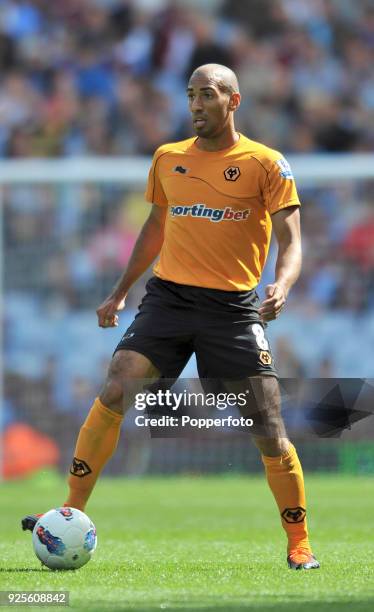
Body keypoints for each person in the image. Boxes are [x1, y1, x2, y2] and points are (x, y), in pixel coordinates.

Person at [22, 63, 319, 570]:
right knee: (118, 384)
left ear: (233, 101)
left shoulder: (267, 164)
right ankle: (69, 509)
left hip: (232, 308)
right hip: (169, 300)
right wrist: (118, 293)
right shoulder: (167, 158)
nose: (197, 105)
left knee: (267, 422)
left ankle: (300, 543)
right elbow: (156, 228)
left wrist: (284, 284)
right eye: (191, 96)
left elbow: (292, 239)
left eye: (207, 95)